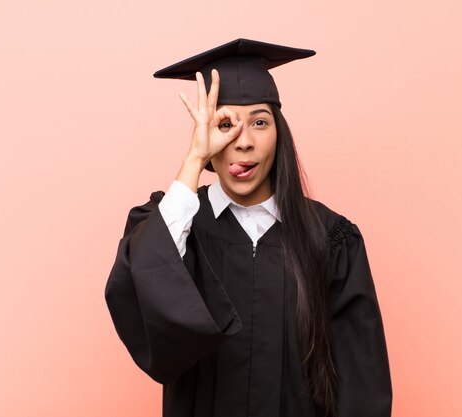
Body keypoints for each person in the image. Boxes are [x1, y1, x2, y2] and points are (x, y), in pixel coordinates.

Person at [105, 38, 392, 417]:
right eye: (225, 125)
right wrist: (194, 158)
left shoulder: (331, 238)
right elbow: (141, 279)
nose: (243, 142)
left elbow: (362, 382)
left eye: (259, 122)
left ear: (280, 133)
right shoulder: (177, 223)